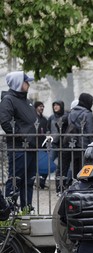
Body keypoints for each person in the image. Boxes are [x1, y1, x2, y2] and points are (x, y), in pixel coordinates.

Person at [0, 71, 38, 210]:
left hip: (31, 146)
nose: (28, 84)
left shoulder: (27, 101)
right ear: (18, 83)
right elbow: (5, 122)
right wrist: (21, 135)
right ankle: (7, 211)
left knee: (29, 180)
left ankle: (26, 208)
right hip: (19, 147)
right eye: (26, 81)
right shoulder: (8, 99)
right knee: (16, 179)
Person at [60, 93, 93, 191]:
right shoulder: (87, 113)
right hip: (84, 145)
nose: (92, 103)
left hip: (73, 144)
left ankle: (73, 188)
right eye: (91, 101)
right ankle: (83, 189)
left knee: (75, 168)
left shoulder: (72, 112)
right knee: (84, 169)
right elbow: (90, 131)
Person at [47, 100, 67, 186]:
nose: (55, 107)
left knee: (62, 166)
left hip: (63, 144)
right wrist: (48, 137)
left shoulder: (66, 116)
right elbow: (47, 129)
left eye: (57, 105)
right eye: (54, 105)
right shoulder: (51, 117)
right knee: (48, 162)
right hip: (54, 143)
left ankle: (60, 184)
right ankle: (41, 180)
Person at [33, 101, 49, 189]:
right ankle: (32, 182)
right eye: (39, 106)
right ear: (35, 107)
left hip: (43, 144)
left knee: (44, 165)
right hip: (33, 144)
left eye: (43, 106)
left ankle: (41, 183)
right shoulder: (32, 118)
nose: (41, 108)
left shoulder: (44, 119)